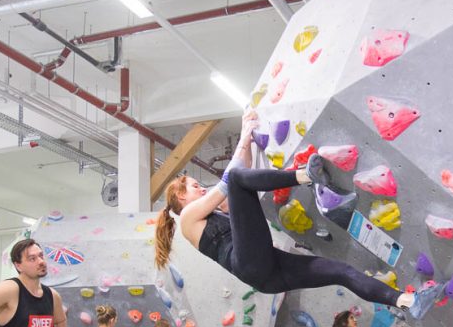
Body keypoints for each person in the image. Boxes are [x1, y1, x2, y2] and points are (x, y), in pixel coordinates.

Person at [154, 110, 423, 312]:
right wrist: (245, 131)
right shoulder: (189, 218)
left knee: (341, 271)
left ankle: (407, 301)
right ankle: (307, 175)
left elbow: (243, 173)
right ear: (180, 196)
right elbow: (231, 180)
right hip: (250, 264)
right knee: (236, 179)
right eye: (195, 186)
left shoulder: (217, 212)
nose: (201, 188)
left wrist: (246, 141)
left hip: (267, 272)